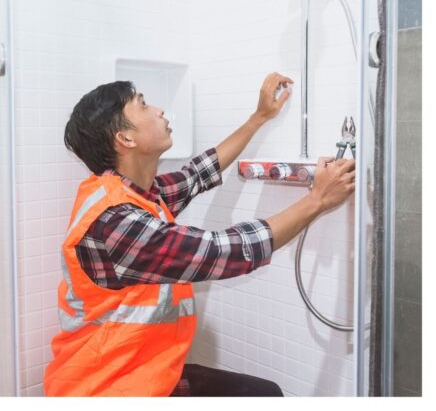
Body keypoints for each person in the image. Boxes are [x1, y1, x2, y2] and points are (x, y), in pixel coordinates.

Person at [43, 72, 355, 397]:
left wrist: (259, 117)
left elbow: (197, 174)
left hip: (141, 375)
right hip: (105, 390)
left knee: (264, 394)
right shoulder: (117, 222)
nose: (159, 110)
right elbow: (224, 252)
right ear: (126, 138)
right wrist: (317, 200)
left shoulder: (136, 194)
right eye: (144, 105)